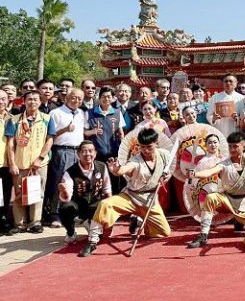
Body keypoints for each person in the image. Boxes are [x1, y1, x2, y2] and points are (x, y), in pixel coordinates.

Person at [83, 129, 172, 257]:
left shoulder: (164, 155)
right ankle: (93, 239)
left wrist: (166, 176)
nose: (146, 150)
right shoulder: (136, 160)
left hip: (150, 199)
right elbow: (124, 169)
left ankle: (139, 221)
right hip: (131, 196)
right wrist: (116, 171)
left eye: (149, 147)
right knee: (106, 204)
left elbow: (169, 170)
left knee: (163, 232)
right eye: (142, 147)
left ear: (156, 144)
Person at [186, 132, 245, 249]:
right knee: (211, 197)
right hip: (226, 199)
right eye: (230, 146)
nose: (232, 149)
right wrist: (195, 174)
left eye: (235, 146)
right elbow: (210, 172)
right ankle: (203, 235)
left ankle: (242, 222)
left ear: (244, 146)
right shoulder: (223, 164)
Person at [4, 90, 56, 234]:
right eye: (29, 99)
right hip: (20, 164)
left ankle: (35, 222)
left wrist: (40, 158)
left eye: (35, 99)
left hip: (40, 164)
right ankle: (19, 223)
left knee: (37, 192)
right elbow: (10, 144)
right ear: (24, 101)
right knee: (19, 193)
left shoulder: (47, 118)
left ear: (40, 102)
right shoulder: (14, 120)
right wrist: (12, 164)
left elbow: (50, 139)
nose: (32, 102)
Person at [45, 89, 87, 228]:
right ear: (66, 98)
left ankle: (71, 213)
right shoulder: (56, 113)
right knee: (60, 182)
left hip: (78, 151)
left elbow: (83, 132)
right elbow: (50, 135)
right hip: (62, 150)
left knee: (76, 183)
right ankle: (55, 214)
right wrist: (65, 129)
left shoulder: (81, 113)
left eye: (80, 98)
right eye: (73, 97)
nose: (76, 101)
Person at [57, 141, 111, 245]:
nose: (88, 154)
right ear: (78, 154)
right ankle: (71, 232)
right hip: (79, 204)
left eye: (90, 151)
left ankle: (89, 222)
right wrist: (64, 192)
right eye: (84, 151)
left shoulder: (102, 167)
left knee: (100, 237)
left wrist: (110, 210)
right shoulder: (70, 172)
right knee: (65, 207)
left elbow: (107, 189)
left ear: (95, 153)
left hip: (96, 205)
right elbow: (67, 195)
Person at [0, 90, 13, 233]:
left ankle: (3, 221)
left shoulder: (12, 118)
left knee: (5, 194)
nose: (1, 102)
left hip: (7, 162)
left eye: (3, 99)